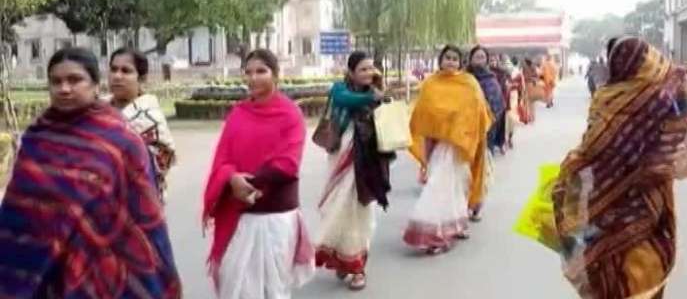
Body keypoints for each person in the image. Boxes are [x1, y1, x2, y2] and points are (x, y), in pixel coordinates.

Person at [0, 47, 182, 298]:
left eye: (75, 80)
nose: (64, 88)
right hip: (43, 273)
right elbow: (18, 212)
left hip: (101, 269)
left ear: (95, 86)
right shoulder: (36, 139)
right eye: (56, 81)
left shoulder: (121, 141)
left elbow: (143, 214)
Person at [553, 37, 687, 299]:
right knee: (642, 258)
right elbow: (683, 142)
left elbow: (592, 146)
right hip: (645, 194)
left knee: (616, 259)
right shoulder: (663, 91)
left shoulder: (614, 95)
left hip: (610, 193)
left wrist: (572, 166)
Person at [202, 49, 315, 298]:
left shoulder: (290, 115)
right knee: (237, 286)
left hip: (275, 217)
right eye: (249, 72)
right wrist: (232, 179)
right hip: (239, 214)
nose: (253, 78)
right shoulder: (238, 114)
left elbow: (287, 164)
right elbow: (223, 160)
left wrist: (249, 184)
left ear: (275, 75)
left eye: (261, 71)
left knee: (272, 290)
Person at [315, 51, 395, 291]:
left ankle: (358, 266)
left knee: (360, 212)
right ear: (350, 72)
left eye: (372, 68)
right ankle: (343, 257)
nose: (369, 73)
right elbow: (345, 101)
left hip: (367, 161)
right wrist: (373, 96)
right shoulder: (339, 89)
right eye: (363, 69)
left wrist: (381, 95)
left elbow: (389, 120)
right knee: (338, 207)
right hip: (342, 157)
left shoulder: (379, 92)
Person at [403, 45, 492, 254]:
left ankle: (456, 224)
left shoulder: (469, 83)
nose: (450, 62)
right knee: (438, 185)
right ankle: (434, 232)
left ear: (461, 63)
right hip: (438, 145)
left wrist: (460, 128)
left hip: (461, 145)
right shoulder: (431, 84)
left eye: (454, 59)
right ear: (440, 61)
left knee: (458, 185)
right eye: (447, 58)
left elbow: (478, 112)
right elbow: (424, 113)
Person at [109, 47, 176, 201]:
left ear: (142, 78)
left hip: (139, 205)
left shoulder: (150, 120)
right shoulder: (96, 111)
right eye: (113, 70)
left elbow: (160, 165)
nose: (117, 76)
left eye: (126, 71)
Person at [467, 46, 506, 156]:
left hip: (486, 131)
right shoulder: (463, 78)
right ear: (471, 59)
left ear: (486, 60)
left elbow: (498, 105)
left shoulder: (491, 79)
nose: (480, 60)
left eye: (482, 57)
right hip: (465, 130)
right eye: (477, 57)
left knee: (484, 166)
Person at [489, 52, 511, 154]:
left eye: (494, 61)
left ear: (497, 62)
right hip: (489, 104)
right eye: (491, 61)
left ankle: (502, 144)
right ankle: (491, 146)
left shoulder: (502, 73)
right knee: (491, 127)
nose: (492, 63)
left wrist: (506, 103)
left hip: (501, 102)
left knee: (501, 126)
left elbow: (506, 88)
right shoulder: (487, 74)